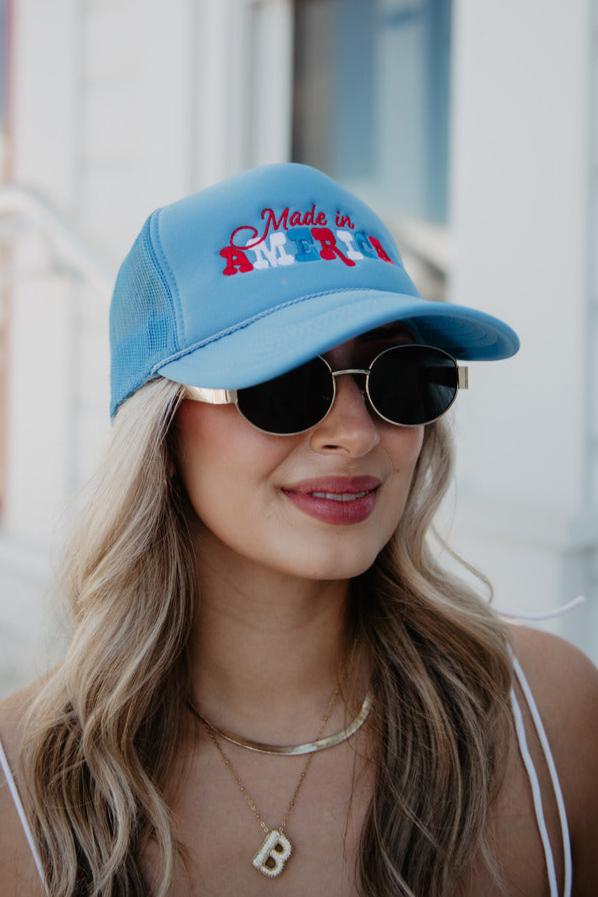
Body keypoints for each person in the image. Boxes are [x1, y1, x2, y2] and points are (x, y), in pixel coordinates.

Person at [0, 162, 596, 897]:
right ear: (160, 431)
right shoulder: (19, 787)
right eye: (282, 383)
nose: (354, 433)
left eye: (400, 377)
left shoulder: (549, 717)